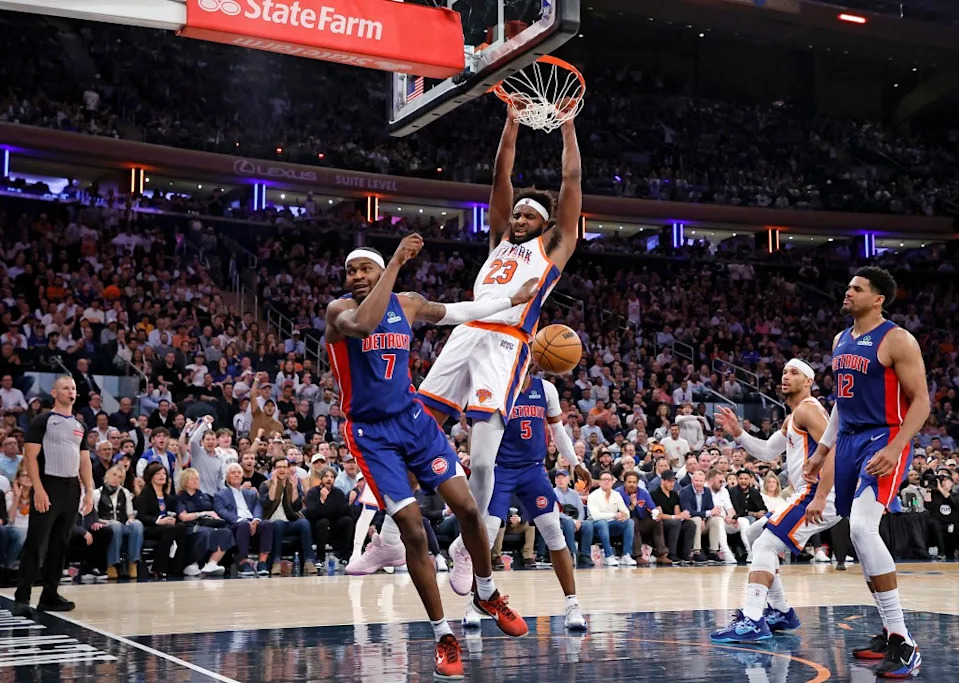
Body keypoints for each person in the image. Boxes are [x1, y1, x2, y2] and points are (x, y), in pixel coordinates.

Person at [325, 236, 534, 679]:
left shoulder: (410, 303)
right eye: (352, 271)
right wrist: (395, 264)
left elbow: (457, 312)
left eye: (366, 269)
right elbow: (364, 326)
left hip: (413, 420)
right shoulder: (338, 311)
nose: (357, 277)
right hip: (371, 434)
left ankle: (486, 591)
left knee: (467, 508)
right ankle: (443, 636)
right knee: (414, 533)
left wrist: (509, 301)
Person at [416, 107, 582, 596]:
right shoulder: (498, 240)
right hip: (465, 330)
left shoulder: (555, 247)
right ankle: (388, 534)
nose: (519, 217)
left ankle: (469, 546)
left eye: (529, 214)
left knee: (483, 462)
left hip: (505, 344)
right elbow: (500, 175)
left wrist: (568, 126)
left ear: (547, 222)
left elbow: (571, 178)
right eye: (517, 212)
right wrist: (510, 121)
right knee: (418, 428)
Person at [805, 267, 928, 677]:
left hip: (885, 436)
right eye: (847, 287)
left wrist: (896, 448)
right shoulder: (841, 340)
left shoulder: (897, 339)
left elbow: (922, 402)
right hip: (850, 441)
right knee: (859, 536)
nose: (847, 292)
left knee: (861, 527)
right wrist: (823, 450)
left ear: (878, 298)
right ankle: (887, 632)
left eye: (857, 289)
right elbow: (841, 404)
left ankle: (903, 639)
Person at [711, 358, 839, 643]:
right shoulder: (793, 417)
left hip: (819, 492)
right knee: (757, 533)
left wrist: (820, 495)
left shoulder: (809, 410)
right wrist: (739, 434)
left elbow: (834, 450)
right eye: (783, 372)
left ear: (809, 382)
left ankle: (754, 617)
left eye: (794, 373)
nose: (786, 376)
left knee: (767, 542)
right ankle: (781, 611)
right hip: (807, 492)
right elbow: (768, 452)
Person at [461, 372, 587, 631]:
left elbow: (558, 432)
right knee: (486, 535)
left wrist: (575, 462)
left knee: (554, 533)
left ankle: (572, 604)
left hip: (533, 470)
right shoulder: (494, 387)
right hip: (500, 469)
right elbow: (477, 430)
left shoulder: (546, 389)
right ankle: (475, 602)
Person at [12, 376, 94, 617]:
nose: (71, 392)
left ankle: (50, 594)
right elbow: (30, 457)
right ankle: (22, 596)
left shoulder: (80, 425)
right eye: (66, 388)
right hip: (48, 484)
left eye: (73, 388)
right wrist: (38, 488)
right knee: (37, 541)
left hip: (71, 488)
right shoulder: (42, 421)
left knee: (61, 543)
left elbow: (85, 460)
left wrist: (89, 491)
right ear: (54, 392)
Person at [214, 463, 275, 578]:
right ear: (227, 477)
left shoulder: (251, 493)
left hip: (252, 522)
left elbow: (258, 506)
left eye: (239, 473)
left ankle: (262, 562)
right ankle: (243, 562)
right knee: (243, 525)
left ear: (242, 476)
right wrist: (242, 520)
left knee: (267, 524)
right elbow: (222, 511)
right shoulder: (220, 495)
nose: (236, 475)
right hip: (235, 524)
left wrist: (256, 520)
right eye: (233, 473)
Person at [135, 462, 189, 578]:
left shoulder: (167, 497)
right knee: (170, 529)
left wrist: (173, 519)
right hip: (150, 527)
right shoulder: (146, 493)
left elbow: (172, 513)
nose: (162, 476)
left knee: (181, 527)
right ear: (151, 477)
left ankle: (177, 567)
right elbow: (141, 515)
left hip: (167, 527)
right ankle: (159, 567)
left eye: (164, 473)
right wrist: (157, 521)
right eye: (158, 474)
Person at [176, 468, 232, 576]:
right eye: (192, 479)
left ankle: (212, 563)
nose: (196, 481)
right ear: (185, 482)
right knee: (206, 533)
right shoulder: (180, 498)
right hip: (190, 526)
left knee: (226, 532)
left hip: (207, 523)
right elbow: (183, 516)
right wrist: (202, 514)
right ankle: (192, 562)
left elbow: (212, 511)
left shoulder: (204, 496)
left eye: (197, 479)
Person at [93, 465, 143, 579]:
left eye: (120, 477)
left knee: (137, 524)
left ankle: (133, 563)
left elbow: (130, 514)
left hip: (122, 524)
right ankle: (112, 564)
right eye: (114, 475)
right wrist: (103, 522)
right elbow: (94, 515)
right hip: (105, 524)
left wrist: (131, 520)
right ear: (107, 476)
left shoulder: (125, 492)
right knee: (115, 526)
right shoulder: (97, 493)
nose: (116, 478)